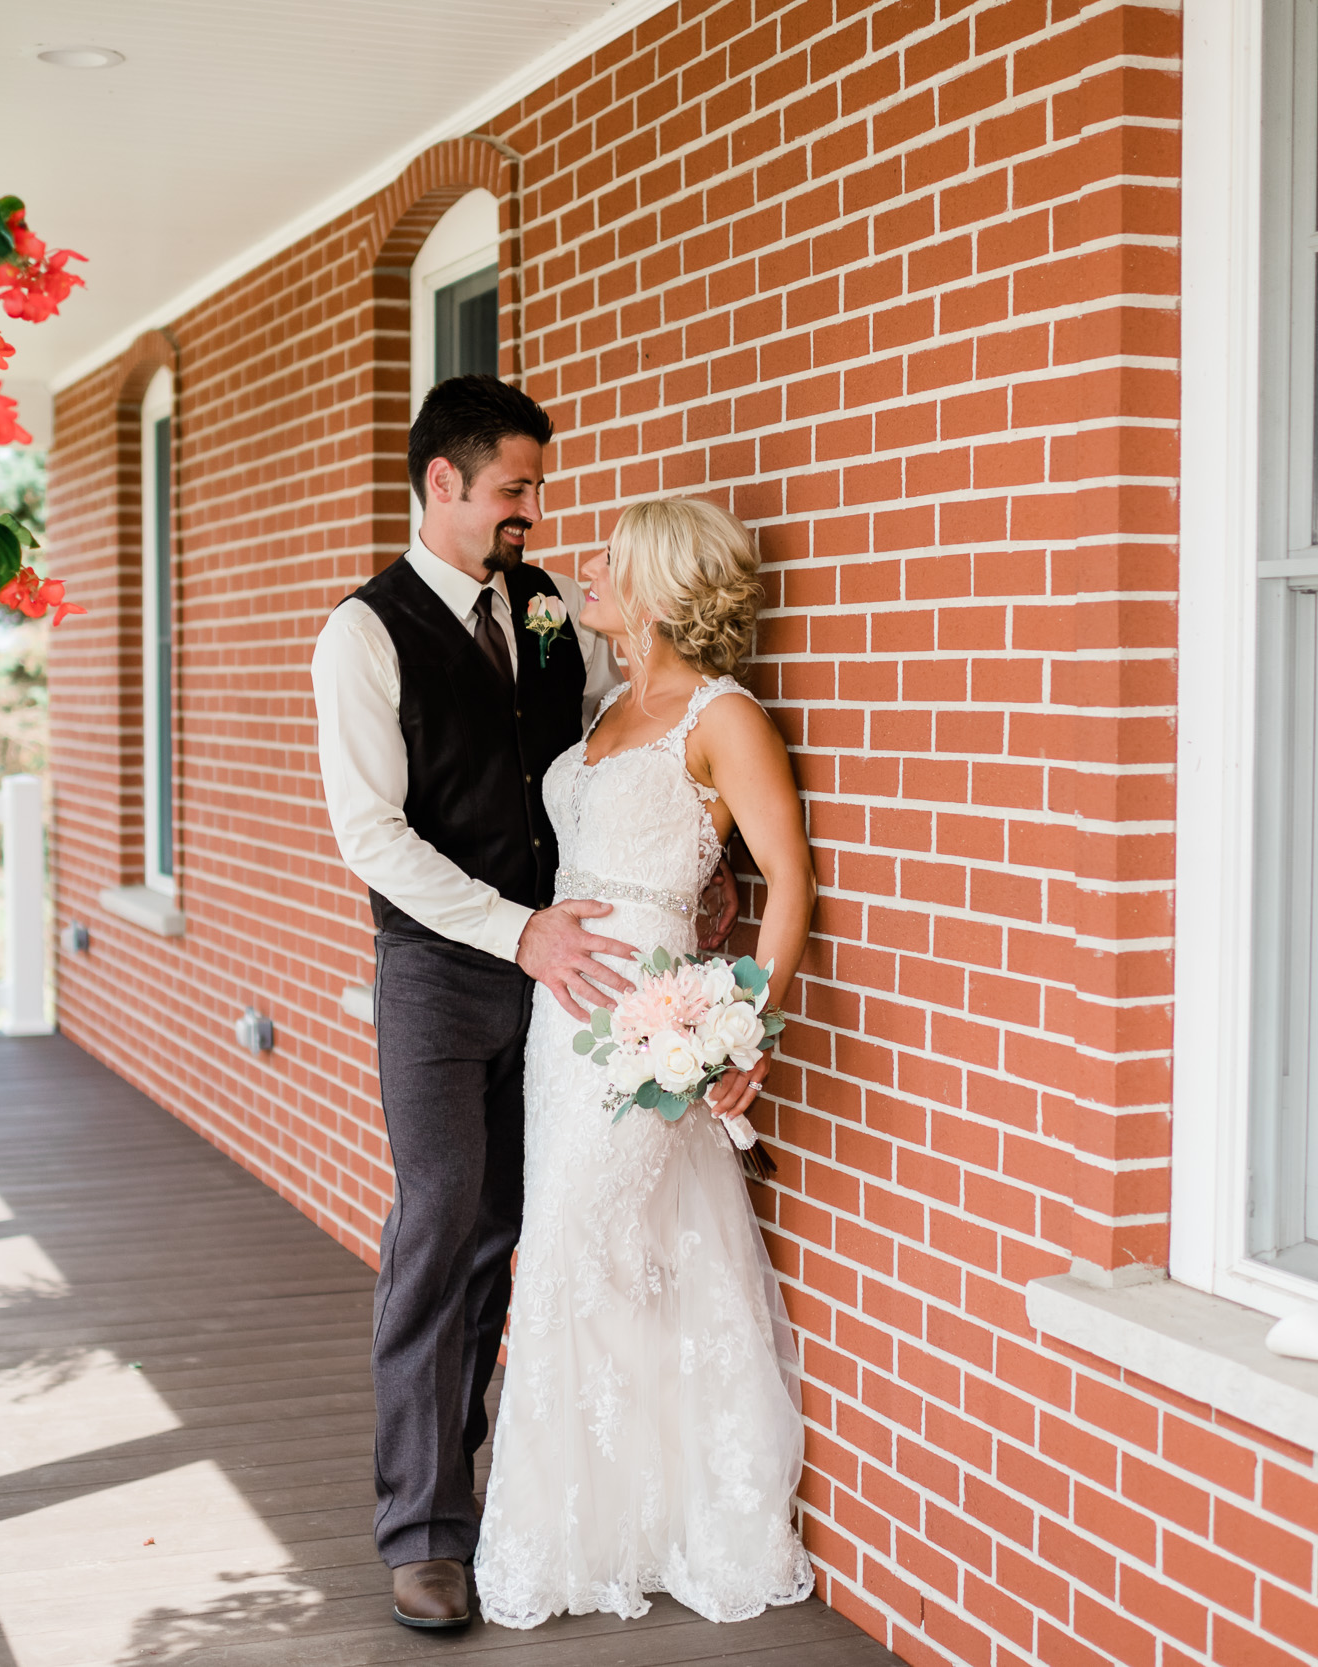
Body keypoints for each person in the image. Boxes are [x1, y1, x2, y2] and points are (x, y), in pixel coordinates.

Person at [309, 378, 756, 1630]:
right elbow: (370, 834)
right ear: (442, 482)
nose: (532, 512)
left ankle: (508, 1491)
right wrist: (517, 930)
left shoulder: (555, 610)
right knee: (444, 1220)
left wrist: (687, 885)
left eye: (536, 491)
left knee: (520, 1225)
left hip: (583, 988)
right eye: (514, 489)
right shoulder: (363, 633)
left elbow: (634, 758)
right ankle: (425, 1530)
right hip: (447, 974)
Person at [472, 496, 817, 1628]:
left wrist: (747, 1029)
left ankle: (635, 1523)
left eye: (609, 562)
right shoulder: (612, 702)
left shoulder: (724, 717)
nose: (586, 573)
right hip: (560, 1028)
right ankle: (617, 1522)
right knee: (614, 1259)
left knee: (585, 1244)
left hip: (650, 1030)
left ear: (657, 590)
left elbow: (787, 879)